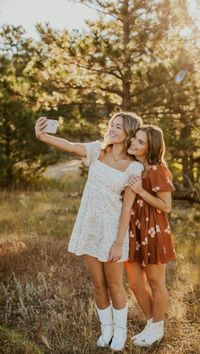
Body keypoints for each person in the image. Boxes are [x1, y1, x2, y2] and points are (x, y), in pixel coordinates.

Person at [34, 112, 143, 351]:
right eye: (111, 125)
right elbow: (70, 146)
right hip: (89, 226)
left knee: (115, 284)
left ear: (128, 133)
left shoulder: (134, 167)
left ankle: (120, 333)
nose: (112, 129)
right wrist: (43, 136)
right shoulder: (97, 150)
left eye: (118, 127)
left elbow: (127, 209)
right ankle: (106, 330)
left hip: (113, 231)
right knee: (97, 284)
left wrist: (117, 243)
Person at [125, 125, 176, 347]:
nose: (134, 143)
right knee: (136, 283)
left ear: (151, 147)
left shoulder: (157, 170)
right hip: (133, 230)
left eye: (140, 142)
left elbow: (166, 206)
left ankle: (158, 328)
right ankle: (151, 324)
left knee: (156, 282)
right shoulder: (134, 168)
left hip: (153, 230)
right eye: (134, 139)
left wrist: (141, 192)